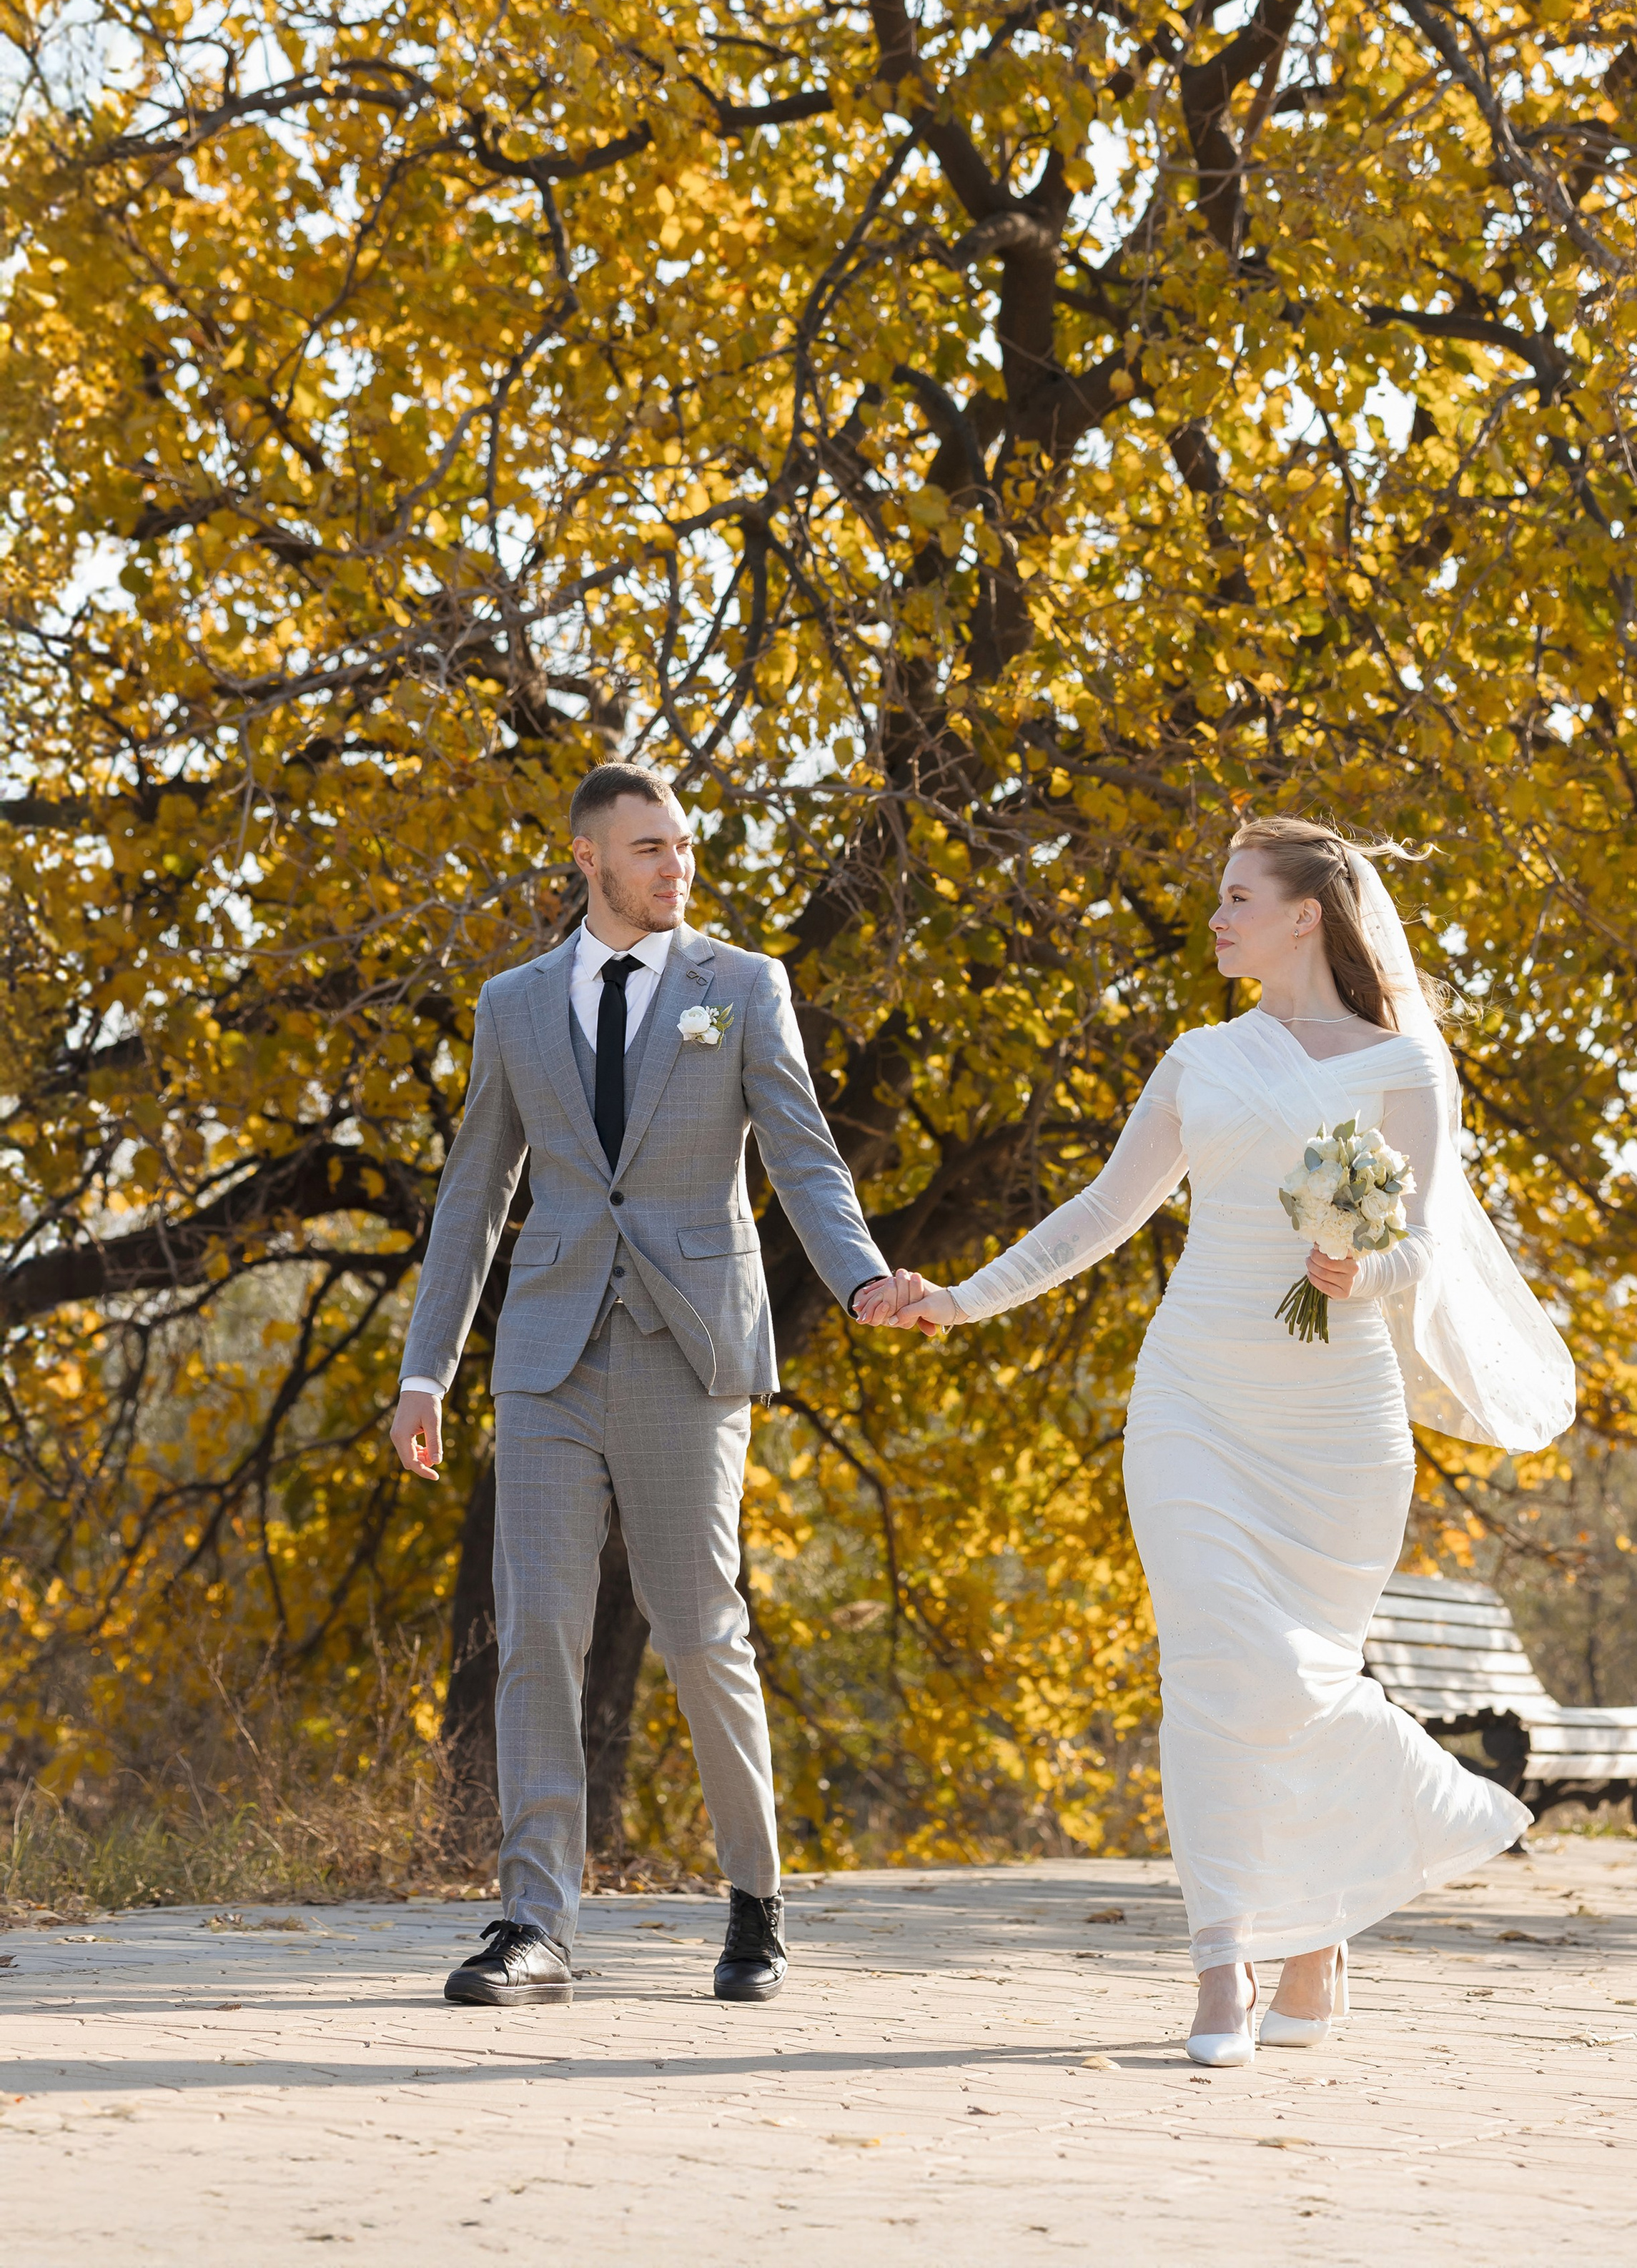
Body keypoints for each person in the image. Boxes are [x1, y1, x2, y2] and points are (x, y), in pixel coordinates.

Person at [858, 816, 1575, 2066]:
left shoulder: (1407, 1067)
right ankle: (1220, 1964)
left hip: (1337, 1428)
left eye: (1240, 896)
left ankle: (1316, 1940)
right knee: (1212, 1671)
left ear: (1308, 912)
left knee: (1291, 1682)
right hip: (1194, 1400)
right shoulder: (1199, 1055)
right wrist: (960, 1299)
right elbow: (1101, 1212)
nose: (1217, 916)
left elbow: (1429, 1246)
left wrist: (1359, 1269)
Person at [390, 763, 921, 2008]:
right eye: (648, 849)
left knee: (699, 1632)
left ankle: (755, 1899)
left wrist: (855, 1282)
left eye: (683, 845)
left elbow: (803, 1152)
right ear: (587, 859)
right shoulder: (513, 1005)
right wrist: (426, 1369)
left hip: (689, 1348)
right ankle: (536, 1922)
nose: (675, 867)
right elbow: (473, 1199)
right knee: (537, 1637)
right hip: (547, 1354)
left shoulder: (741, 985)